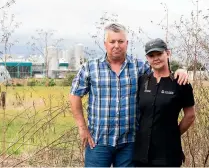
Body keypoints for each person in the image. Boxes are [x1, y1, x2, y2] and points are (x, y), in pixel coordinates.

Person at [69, 23, 188, 167]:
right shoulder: (90, 67)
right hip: (98, 141)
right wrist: (82, 128)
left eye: (120, 41)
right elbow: (75, 95)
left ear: (127, 43)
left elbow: (160, 69)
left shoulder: (140, 67)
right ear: (105, 44)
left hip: (130, 143)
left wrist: (180, 70)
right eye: (112, 41)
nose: (116, 45)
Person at [133, 38, 196, 167]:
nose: (155, 58)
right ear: (147, 58)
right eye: (151, 55)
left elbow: (190, 115)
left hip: (168, 154)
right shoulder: (142, 81)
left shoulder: (180, 83)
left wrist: (173, 133)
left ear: (168, 53)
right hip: (141, 153)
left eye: (159, 54)